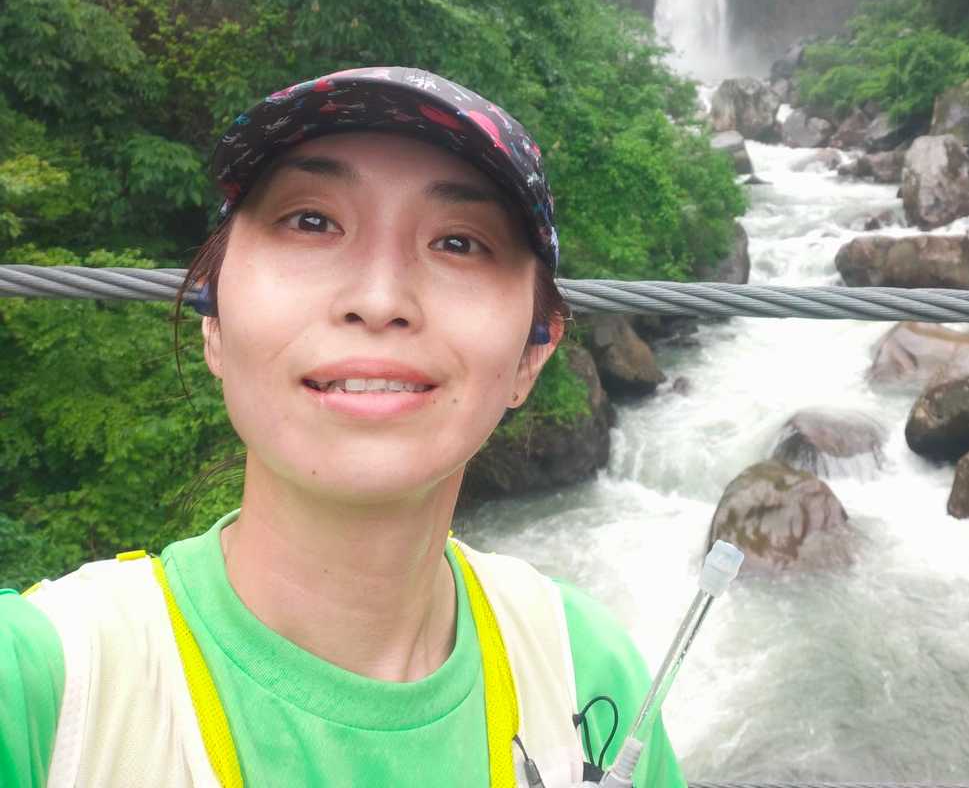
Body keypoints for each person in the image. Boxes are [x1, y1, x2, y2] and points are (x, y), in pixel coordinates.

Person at [0, 66, 686, 788]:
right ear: (214, 320)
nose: (380, 299)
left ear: (532, 355)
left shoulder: (589, 674)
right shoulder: (38, 690)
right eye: (311, 221)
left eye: (459, 242)